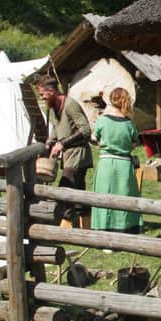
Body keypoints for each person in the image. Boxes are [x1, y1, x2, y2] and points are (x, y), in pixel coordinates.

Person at [37, 75, 93, 228]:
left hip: (78, 153)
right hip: (69, 155)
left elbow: (86, 130)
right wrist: (50, 141)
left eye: (42, 94)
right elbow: (57, 127)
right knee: (79, 191)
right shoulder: (55, 106)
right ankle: (86, 227)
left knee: (65, 187)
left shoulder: (70, 105)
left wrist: (63, 143)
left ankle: (65, 226)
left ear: (51, 91)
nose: (41, 97)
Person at [91, 88, 143, 234]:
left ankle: (103, 231)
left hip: (106, 164)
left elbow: (94, 139)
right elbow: (135, 143)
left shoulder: (102, 120)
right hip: (124, 165)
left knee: (104, 197)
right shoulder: (128, 123)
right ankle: (124, 230)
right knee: (124, 197)